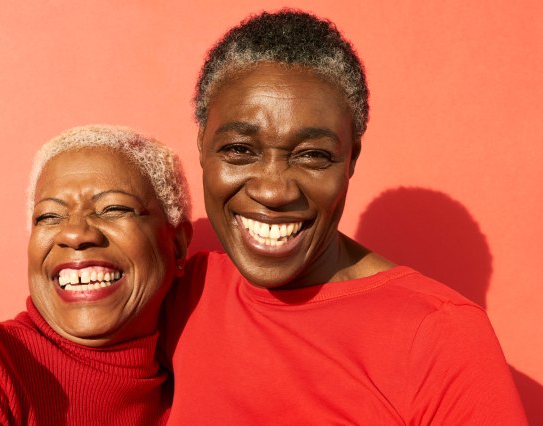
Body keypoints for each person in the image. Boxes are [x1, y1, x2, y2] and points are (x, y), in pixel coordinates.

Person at [161, 10, 527, 424]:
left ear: (350, 158)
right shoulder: (182, 292)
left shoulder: (440, 336)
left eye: (313, 156)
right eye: (240, 150)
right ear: (202, 144)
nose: (273, 190)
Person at [0, 125, 192, 425]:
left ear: (178, 247)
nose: (74, 233)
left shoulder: (197, 401)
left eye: (113, 208)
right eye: (49, 216)